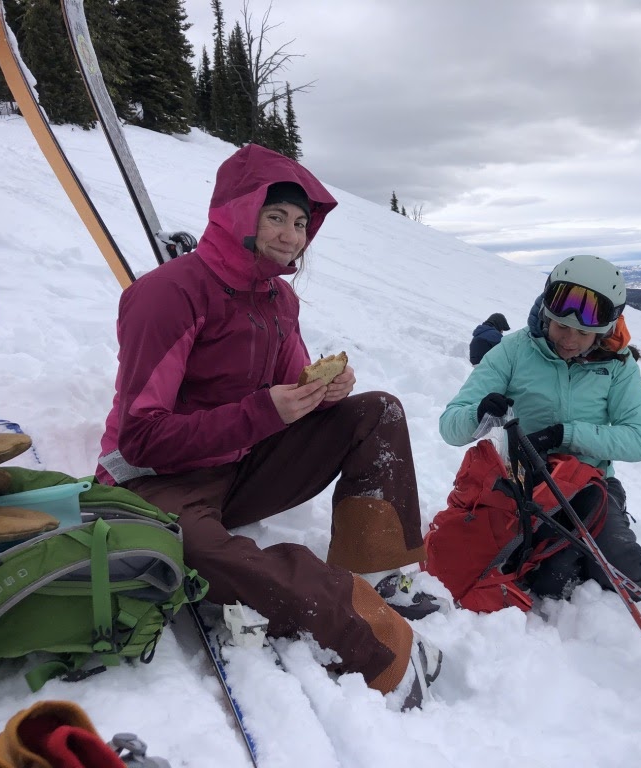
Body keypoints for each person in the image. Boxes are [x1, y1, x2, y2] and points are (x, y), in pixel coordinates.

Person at [95, 144, 441, 710]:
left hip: (240, 463)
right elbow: (140, 438)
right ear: (238, 211)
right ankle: (369, 638)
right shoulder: (167, 294)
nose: (290, 234)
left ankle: (381, 572)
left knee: (378, 411)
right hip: (153, 484)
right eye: (276, 216)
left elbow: (290, 384)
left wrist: (326, 392)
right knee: (203, 557)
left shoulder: (278, 298)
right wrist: (263, 413)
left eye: (301, 222)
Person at [439, 255, 641, 610]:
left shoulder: (617, 365)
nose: (570, 340)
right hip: (525, 486)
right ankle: (578, 562)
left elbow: (638, 439)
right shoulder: (515, 350)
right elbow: (450, 425)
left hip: (590, 485)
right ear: (546, 314)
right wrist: (479, 415)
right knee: (552, 580)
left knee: (621, 567)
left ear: (604, 328)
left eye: (583, 332)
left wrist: (563, 435)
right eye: (560, 327)